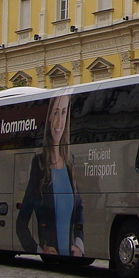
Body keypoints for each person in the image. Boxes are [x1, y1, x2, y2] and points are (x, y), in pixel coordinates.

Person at [17, 95, 84, 256]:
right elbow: (21, 223)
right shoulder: (39, 164)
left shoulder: (70, 162)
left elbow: (79, 213)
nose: (59, 122)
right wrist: (39, 250)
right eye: (55, 113)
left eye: (63, 113)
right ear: (48, 118)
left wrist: (79, 245)